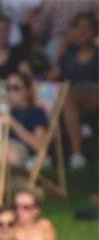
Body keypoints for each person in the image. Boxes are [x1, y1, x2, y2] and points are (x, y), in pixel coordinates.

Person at [47, 11, 99, 169]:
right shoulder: (68, 54)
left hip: (93, 91)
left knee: (66, 97)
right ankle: (43, 152)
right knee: (53, 97)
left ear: (95, 32)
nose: (83, 32)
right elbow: (52, 77)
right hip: (68, 94)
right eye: (79, 27)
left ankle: (76, 154)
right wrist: (61, 50)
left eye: (87, 28)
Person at [5, 70, 48, 168]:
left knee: (6, 149)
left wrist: (12, 123)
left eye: (16, 88)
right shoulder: (6, 111)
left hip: (18, 150)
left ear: (27, 90)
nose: (11, 92)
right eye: (8, 88)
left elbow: (40, 147)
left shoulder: (35, 112)